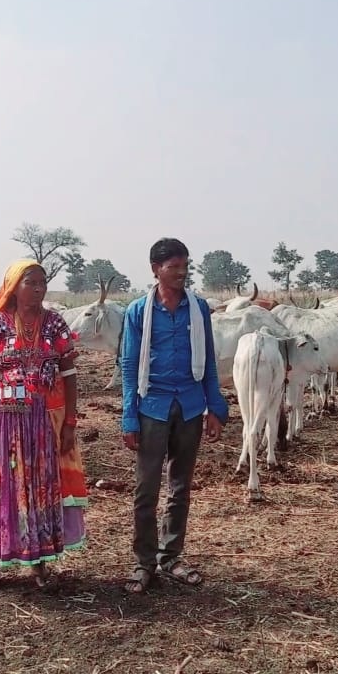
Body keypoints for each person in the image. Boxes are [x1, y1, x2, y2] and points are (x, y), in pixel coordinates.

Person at [0, 259, 88, 595]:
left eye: (43, 282)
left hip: (41, 421)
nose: (39, 288)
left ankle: (38, 562)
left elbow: (69, 376)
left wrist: (69, 423)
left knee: (41, 489)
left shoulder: (54, 323)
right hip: (3, 422)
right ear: (14, 285)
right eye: (32, 282)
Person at [118, 237, 228, 594]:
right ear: (155, 269)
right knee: (146, 488)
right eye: (173, 267)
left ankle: (171, 556)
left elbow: (208, 360)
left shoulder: (198, 308)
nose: (181, 273)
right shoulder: (138, 311)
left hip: (191, 406)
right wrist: (129, 416)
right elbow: (130, 365)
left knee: (180, 486)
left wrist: (217, 406)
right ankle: (143, 562)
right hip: (152, 406)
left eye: (184, 267)